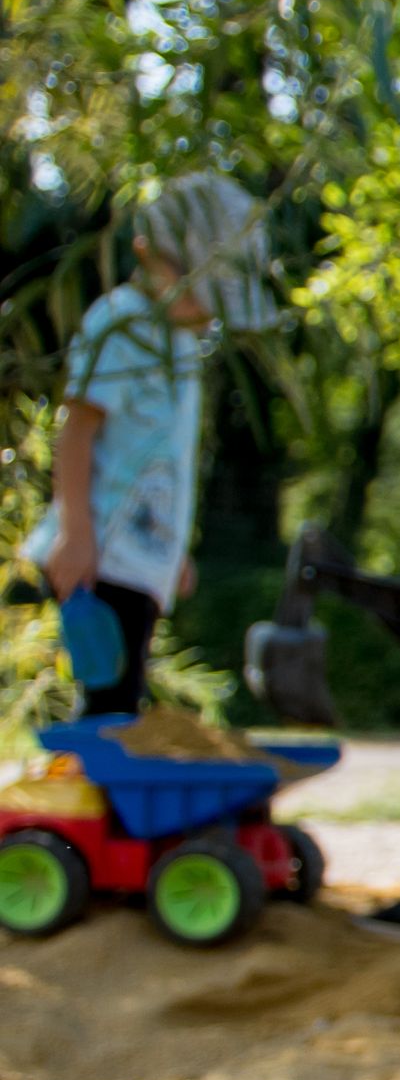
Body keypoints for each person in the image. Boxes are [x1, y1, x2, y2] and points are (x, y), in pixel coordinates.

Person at [22, 176, 279, 716]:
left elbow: (164, 458)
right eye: (188, 282)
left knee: (124, 692)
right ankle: (101, 793)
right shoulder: (121, 326)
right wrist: (75, 533)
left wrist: (173, 547)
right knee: (108, 697)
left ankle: (108, 787)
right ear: (145, 251)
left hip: (142, 559)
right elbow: (77, 429)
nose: (201, 306)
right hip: (102, 553)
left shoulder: (180, 346)